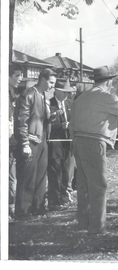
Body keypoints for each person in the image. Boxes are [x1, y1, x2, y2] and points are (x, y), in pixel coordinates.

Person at [70, 66, 118, 234]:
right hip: (94, 143)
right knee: (99, 186)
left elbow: (71, 123)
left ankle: (83, 224)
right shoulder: (104, 96)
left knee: (84, 185)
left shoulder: (82, 97)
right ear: (108, 82)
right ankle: (97, 228)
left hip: (78, 141)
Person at [14, 68, 57, 220]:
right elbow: (21, 121)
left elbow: (40, 118)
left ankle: (38, 207)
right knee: (27, 177)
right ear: (43, 80)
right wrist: (25, 143)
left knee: (40, 176)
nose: (52, 86)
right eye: (51, 83)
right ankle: (23, 212)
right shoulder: (28, 95)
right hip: (31, 141)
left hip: (43, 140)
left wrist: (51, 118)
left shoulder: (43, 95)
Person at [47, 79, 75, 211]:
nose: (66, 95)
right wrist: (60, 126)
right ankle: (54, 201)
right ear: (56, 91)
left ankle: (64, 197)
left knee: (66, 171)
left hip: (68, 143)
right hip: (55, 143)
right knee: (55, 171)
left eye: (68, 93)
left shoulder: (71, 104)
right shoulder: (48, 104)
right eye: (64, 92)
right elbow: (45, 125)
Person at [9, 63, 24, 219]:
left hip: (12, 143)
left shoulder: (13, 95)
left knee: (12, 178)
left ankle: (11, 210)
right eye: (17, 76)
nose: (20, 78)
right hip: (8, 142)